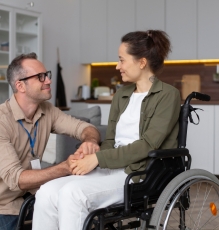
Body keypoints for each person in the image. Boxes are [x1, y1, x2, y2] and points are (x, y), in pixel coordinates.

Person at [32, 30, 181, 230]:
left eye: (122, 60)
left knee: (72, 194)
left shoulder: (168, 95)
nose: (117, 66)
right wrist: (91, 154)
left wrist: (97, 159)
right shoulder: (122, 95)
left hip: (139, 173)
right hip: (109, 167)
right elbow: (110, 140)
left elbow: (148, 145)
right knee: (46, 191)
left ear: (142, 62)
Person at [0, 53, 100, 230]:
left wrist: (90, 141)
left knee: (84, 218)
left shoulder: (48, 111)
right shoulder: (2, 121)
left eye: (47, 75)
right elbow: (18, 179)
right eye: (40, 77)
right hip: (4, 206)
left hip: (33, 197)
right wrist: (65, 167)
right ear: (20, 85)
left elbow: (84, 128)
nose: (48, 80)